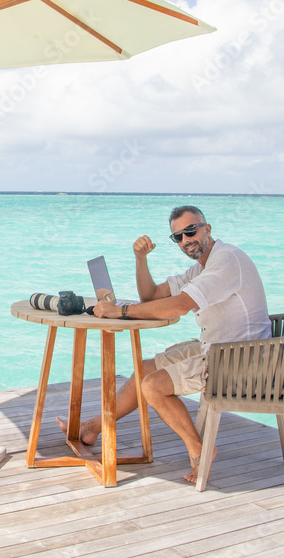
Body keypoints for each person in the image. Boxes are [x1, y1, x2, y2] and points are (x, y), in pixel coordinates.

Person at [57, 205, 270, 483]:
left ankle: (200, 450)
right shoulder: (200, 269)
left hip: (240, 361)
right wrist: (140, 259)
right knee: (144, 370)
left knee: (153, 386)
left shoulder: (226, 260)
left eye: (190, 231)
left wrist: (120, 312)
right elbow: (152, 298)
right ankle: (92, 428)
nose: (185, 241)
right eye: (178, 237)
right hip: (219, 347)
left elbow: (179, 306)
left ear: (208, 228)